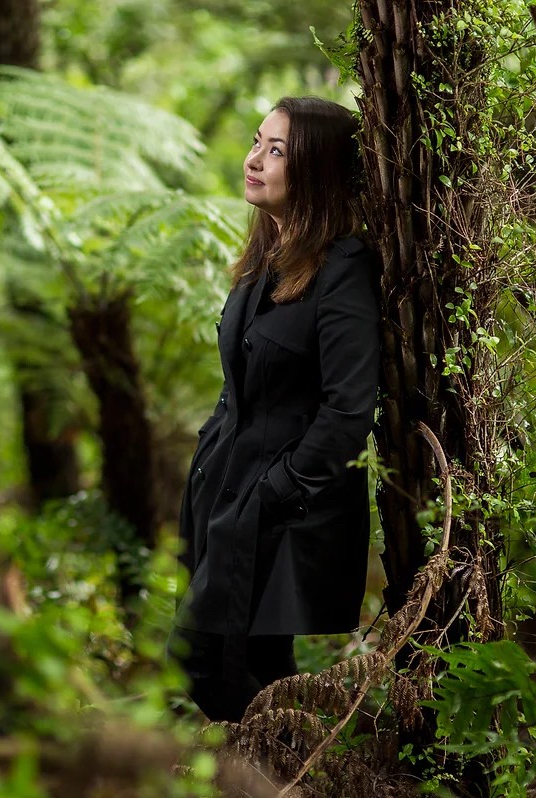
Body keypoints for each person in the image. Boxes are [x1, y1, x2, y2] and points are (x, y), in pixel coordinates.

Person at [170, 96, 380, 723]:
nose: (254, 160)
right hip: (225, 492)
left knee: (216, 664)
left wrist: (275, 491)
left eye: (277, 150)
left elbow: (349, 408)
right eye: (258, 141)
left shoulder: (343, 267)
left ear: (314, 169)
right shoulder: (267, 258)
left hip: (283, 507)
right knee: (238, 668)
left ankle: (294, 774)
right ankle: (290, 773)